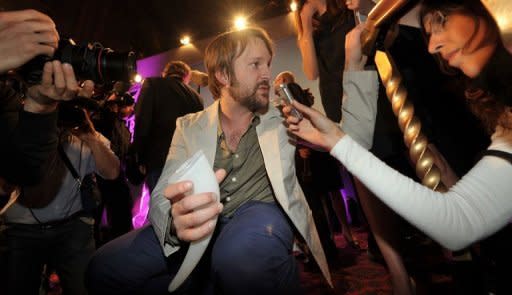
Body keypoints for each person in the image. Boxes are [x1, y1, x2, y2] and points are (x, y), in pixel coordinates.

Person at [86, 27, 332, 295]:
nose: (267, 74)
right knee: (103, 267)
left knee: (239, 259)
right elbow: (162, 192)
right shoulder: (190, 125)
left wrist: (356, 65)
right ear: (223, 75)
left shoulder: (283, 117)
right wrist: (174, 221)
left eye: (268, 64)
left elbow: (354, 139)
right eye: (255, 64)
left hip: (259, 212)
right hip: (202, 221)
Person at [284, 0, 512, 257]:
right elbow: (459, 222)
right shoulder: (505, 124)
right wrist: (338, 141)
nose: (432, 45)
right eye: (429, 31)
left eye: (440, 21)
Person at [132, 60, 204, 192]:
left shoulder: (152, 84)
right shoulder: (197, 97)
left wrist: (140, 157)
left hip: (158, 160)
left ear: (165, 73)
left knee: (159, 207)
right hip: (186, 162)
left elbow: (142, 120)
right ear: (187, 76)